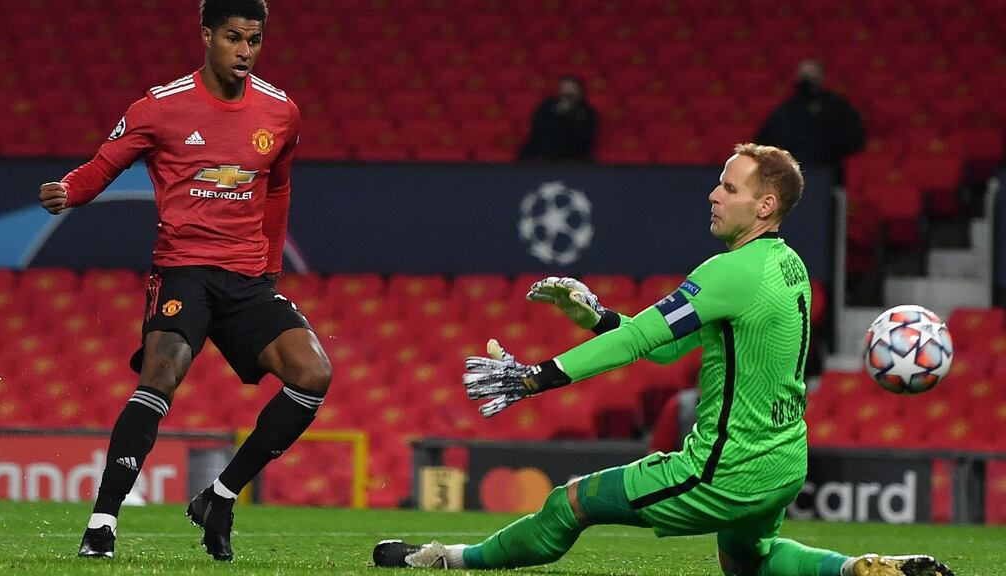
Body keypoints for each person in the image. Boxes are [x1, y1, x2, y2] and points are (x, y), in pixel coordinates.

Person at [372, 144, 954, 576]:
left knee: (569, 502)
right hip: (783, 463)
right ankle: (861, 569)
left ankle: (447, 559)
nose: (714, 194)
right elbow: (669, 343)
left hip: (720, 470)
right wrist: (598, 316)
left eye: (729, 186)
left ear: (765, 203)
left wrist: (537, 377)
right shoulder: (789, 265)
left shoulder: (728, 272)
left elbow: (639, 343)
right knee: (751, 562)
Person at [38, 0, 332, 562]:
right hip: (184, 271)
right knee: (161, 376)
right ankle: (102, 522)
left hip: (247, 279)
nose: (245, 51)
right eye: (233, 38)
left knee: (313, 373)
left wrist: (269, 266)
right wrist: (70, 190)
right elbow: (105, 162)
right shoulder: (161, 107)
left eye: (254, 40)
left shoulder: (281, 112)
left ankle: (220, 496)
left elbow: (277, 190)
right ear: (206, 35)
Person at [755, 59, 865, 182]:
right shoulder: (786, 109)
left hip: (827, 175)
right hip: (791, 178)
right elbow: (765, 141)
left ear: (821, 76)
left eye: (811, 73)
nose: (807, 78)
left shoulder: (836, 106)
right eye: (804, 74)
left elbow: (855, 138)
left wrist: (827, 152)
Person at [518, 74, 599, 161]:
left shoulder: (587, 113)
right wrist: (559, 112)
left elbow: (585, 138)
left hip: (572, 155)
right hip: (543, 151)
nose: (568, 92)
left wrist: (568, 115)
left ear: (580, 91)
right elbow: (537, 127)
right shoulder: (546, 106)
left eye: (572, 88)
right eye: (565, 88)